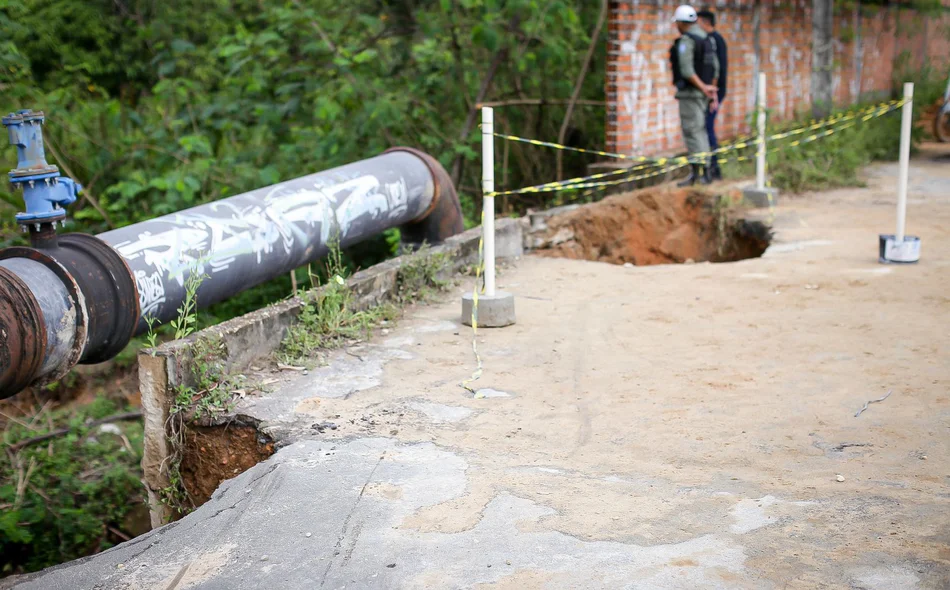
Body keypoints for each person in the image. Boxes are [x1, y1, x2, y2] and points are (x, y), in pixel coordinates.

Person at [669, 5, 719, 186]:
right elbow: (715, 69)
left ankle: (699, 173)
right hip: (703, 94)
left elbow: (687, 70)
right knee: (701, 131)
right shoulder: (707, 39)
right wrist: (710, 90)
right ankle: (703, 173)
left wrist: (703, 88)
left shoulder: (688, 41)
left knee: (692, 132)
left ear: (682, 23)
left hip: (692, 94)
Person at [698, 9, 727, 180]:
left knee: (707, 128)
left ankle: (713, 169)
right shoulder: (716, 40)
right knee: (706, 127)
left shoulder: (713, 41)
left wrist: (711, 95)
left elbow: (716, 71)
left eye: (699, 22)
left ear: (705, 22)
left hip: (714, 93)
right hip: (714, 92)